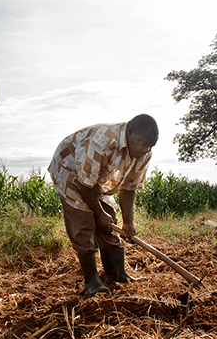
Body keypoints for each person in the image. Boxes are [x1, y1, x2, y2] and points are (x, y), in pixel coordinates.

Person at [48, 115, 159, 295]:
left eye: (150, 146)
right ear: (129, 132)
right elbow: (84, 184)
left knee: (109, 222)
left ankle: (117, 274)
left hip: (94, 179)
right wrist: (98, 214)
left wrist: (128, 222)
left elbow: (129, 188)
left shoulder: (143, 154)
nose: (146, 150)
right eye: (143, 144)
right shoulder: (102, 141)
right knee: (83, 222)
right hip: (70, 171)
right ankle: (92, 283)